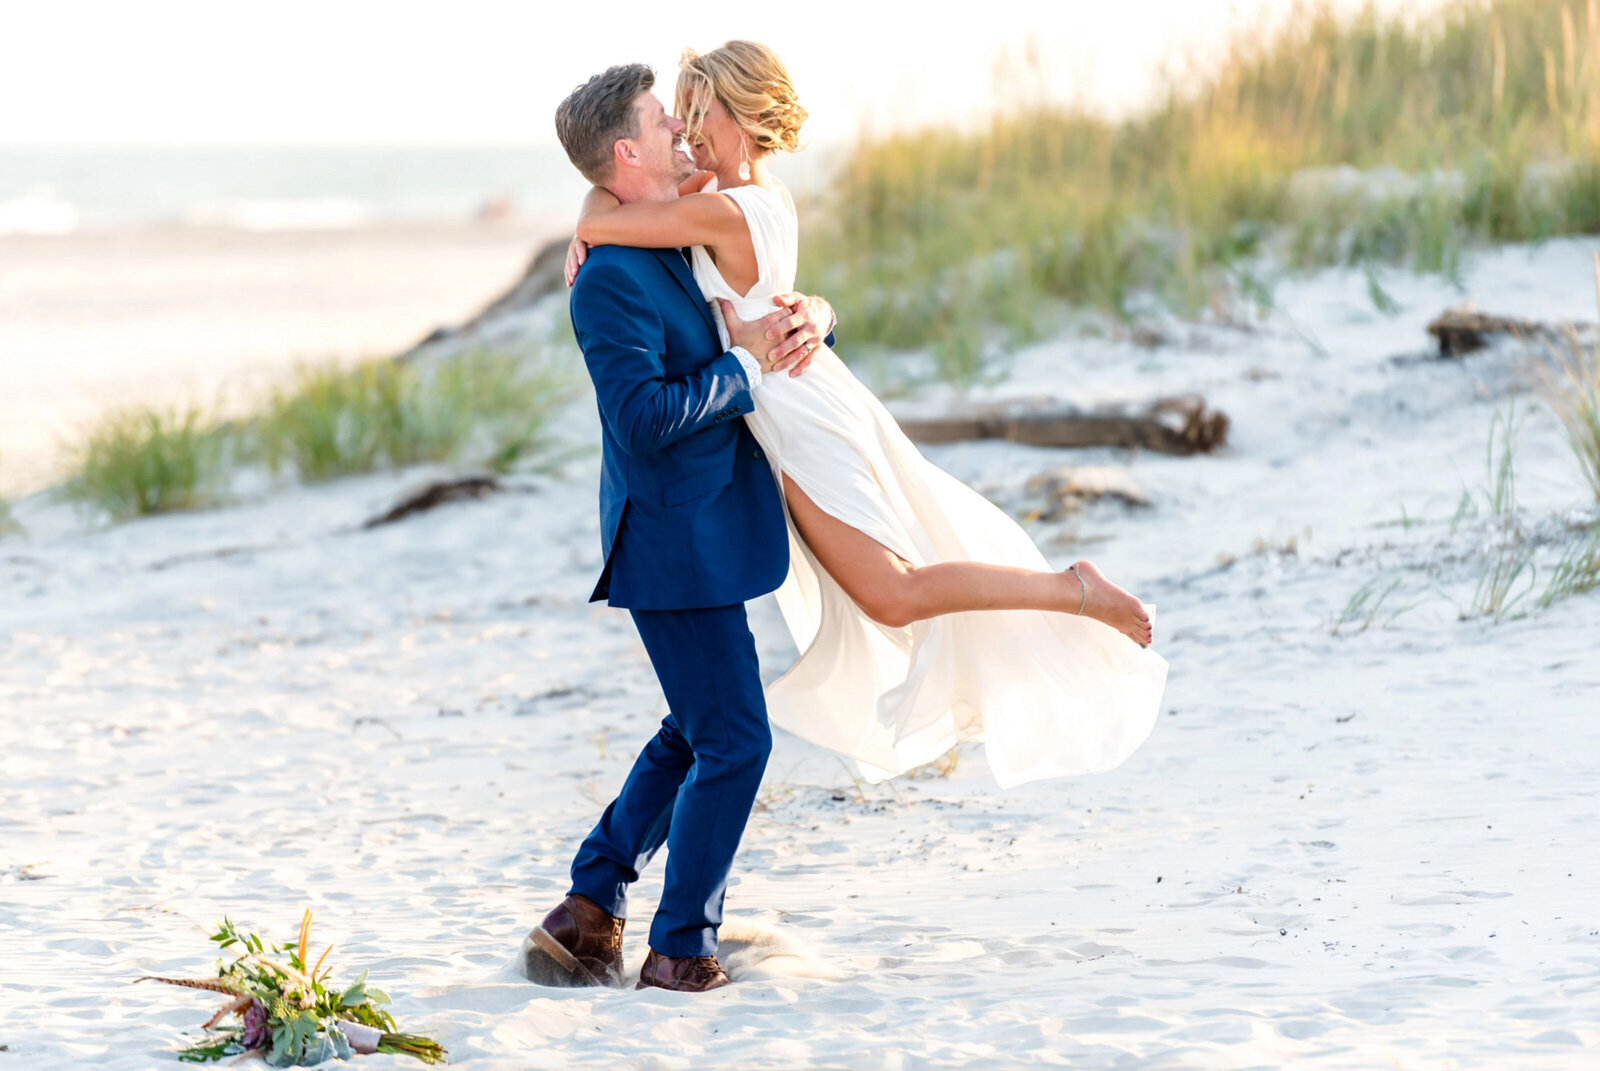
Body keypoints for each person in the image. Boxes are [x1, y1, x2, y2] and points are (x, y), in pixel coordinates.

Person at [564, 41, 1167, 790]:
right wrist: (597, 208)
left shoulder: (719, 210)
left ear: (744, 117)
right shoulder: (754, 197)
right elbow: (616, 199)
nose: (686, 131)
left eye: (698, 112)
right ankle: (1069, 589)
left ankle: (1073, 590)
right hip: (793, 398)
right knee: (897, 582)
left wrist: (584, 219)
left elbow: (612, 217)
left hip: (795, 409)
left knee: (893, 591)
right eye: (677, 114)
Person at [529, 61, 838, 995]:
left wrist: (811, 312)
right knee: (735, 738)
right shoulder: (610, 282)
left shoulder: (670, 228)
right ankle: (679, 948)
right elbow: (641, 420)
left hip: (709, 525)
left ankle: (587, 906)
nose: (681, 133)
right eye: (664, 122)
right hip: (670, 537)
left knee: (693, 726)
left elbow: (756, 273)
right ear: (628, 150)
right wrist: (741, 366)